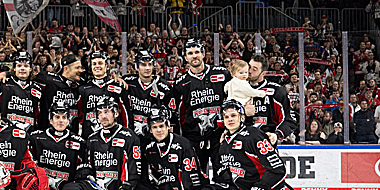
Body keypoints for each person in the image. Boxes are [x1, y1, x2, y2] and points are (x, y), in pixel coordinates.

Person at [169, 38, 231, 172]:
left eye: (197, 52)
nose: (194, 56)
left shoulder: (222, 73)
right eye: (190, 53)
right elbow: (175, 112)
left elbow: (234, 98)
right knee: (197, 178)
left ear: (203, 54)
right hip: (194, 138)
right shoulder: (180, 83)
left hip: (220, 136)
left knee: (224, 177)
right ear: (185, 57)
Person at [246, 54, 297, 144]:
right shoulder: (237, 88)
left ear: (263, 73)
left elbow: (290, 120)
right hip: (243, 142)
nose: (249, 71)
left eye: (254, 69)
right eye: (249, 67)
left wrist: (277, 135)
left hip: (267, 142)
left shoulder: (276, 91)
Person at [121, 49, 171, 138]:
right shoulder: (127, 81)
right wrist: (117, 80)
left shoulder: (164, 86)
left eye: (150, 64)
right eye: (143, 65)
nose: (147, 68)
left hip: (154, 136)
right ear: (136, 66)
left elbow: (171, 114)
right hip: (131, 135)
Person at [77, 51, 129, 138]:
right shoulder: (83, 89)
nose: (97, 66)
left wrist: (126, 135)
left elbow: (126, 115)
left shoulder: (118, 87)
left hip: (114, 138)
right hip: (90, 138)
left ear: (107, 66)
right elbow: (80, 116)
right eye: (94, 64)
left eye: (100, 63)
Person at [0, 50, 43, 133]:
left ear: (30, 69)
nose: (22, 68)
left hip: (28, 132)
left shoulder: (37, 88)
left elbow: (38, 113)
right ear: (14, 68)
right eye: (19, 66)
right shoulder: (3, 83)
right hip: (6, 132)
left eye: (26, 66)